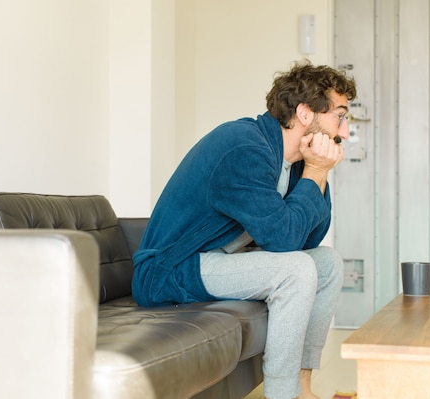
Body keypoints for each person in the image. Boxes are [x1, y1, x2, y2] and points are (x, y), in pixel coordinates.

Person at [132, 60, 357, 399]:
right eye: (339, 116)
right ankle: (284, 395)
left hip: (218, 262)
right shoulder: (245, 147)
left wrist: (318, 173)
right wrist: (315, 172)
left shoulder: (295, 160)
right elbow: (284, 241)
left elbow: (308, 238)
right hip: (172, 269)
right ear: (305, 113)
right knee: (295, 270)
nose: (344, 131)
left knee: (326, 263)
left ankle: (304, 389)